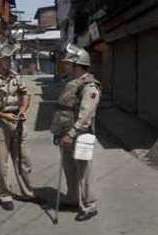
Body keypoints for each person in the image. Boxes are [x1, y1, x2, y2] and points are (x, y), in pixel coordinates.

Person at [0, 43, 39, 211]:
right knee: (2, 163)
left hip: (16, 121)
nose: (10, 61)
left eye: (10, 58)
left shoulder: (15, 76)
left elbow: (25, 94)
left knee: (23, 160)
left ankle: (28, 193)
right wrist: (3, 116)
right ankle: (4, 195)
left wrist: (23, 110)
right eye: (6, 58)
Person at [51, 43, 101, 221]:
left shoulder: (89, 87)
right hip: (66, 134)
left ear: (78, 65)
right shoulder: (72, 82)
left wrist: (71, 134)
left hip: (80, 134)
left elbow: (85, 116)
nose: (65, 66)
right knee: (69, 169)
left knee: (83, 171)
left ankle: (89, 205)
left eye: (68, 64)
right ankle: (72, 199)